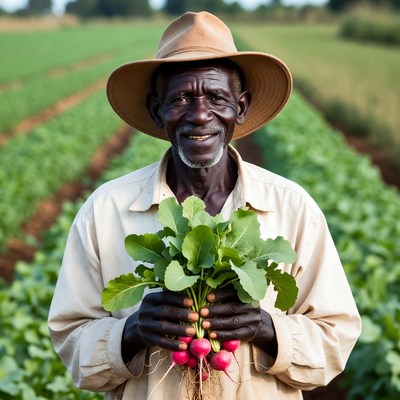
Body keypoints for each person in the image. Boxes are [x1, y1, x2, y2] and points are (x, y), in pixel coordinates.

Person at [48, 11, 361, 400]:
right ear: (155, 109)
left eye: (216, 98)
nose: (199, 116)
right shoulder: (105, 210)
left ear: (240, 108)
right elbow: (69, 341)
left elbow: (337, 341)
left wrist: (264, 327)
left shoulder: (293, 208)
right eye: (180, 98)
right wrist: (132, 331)